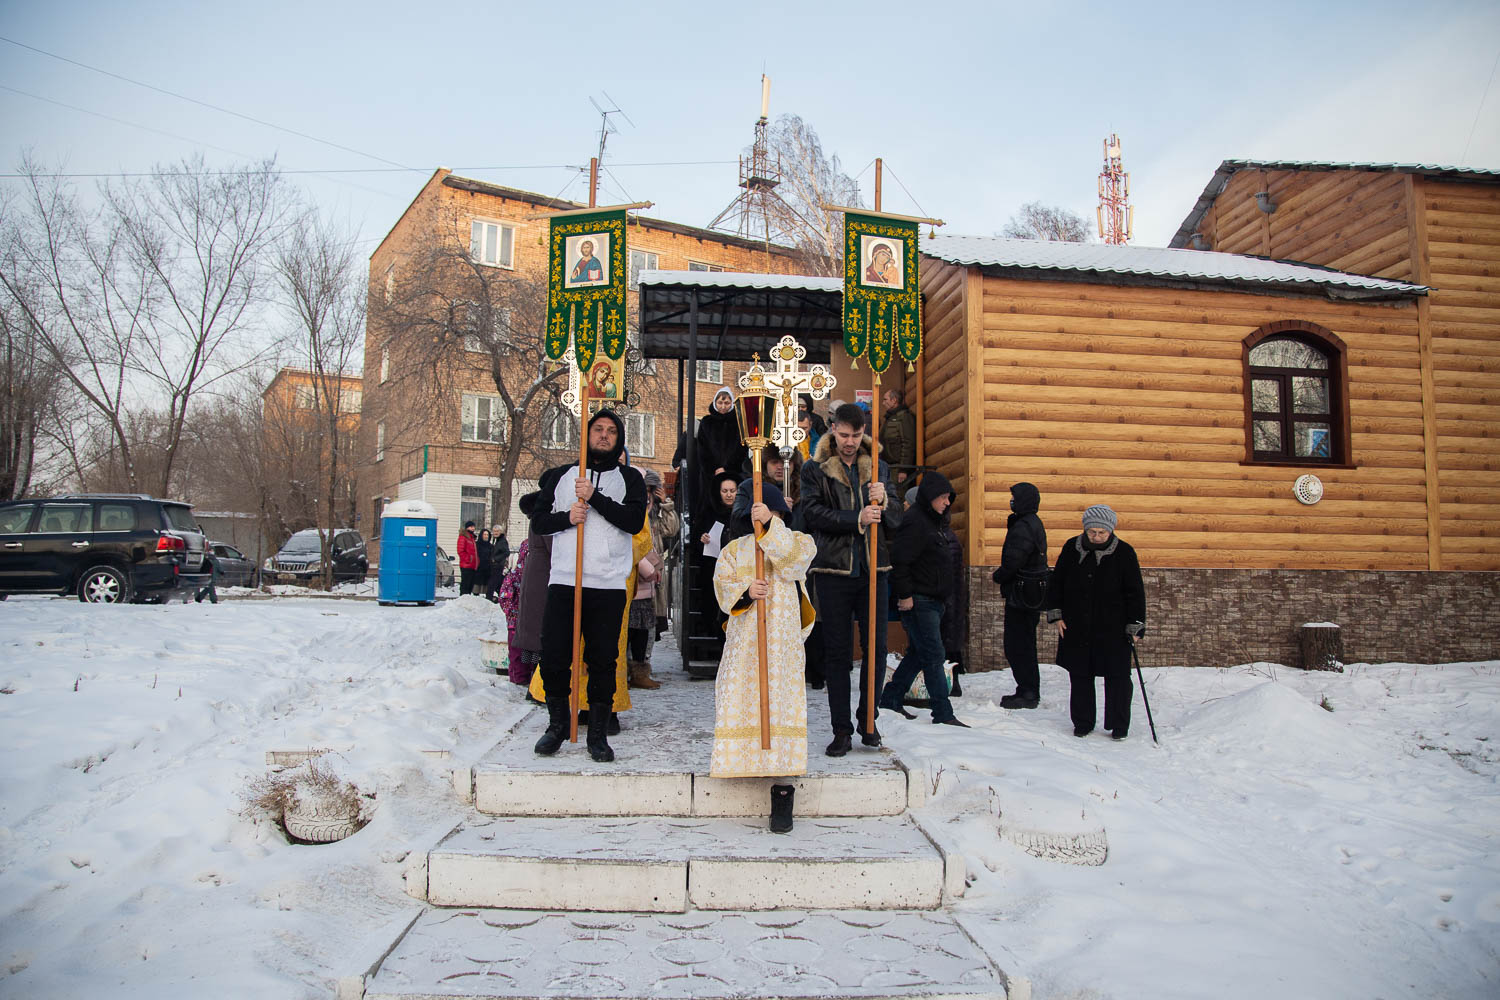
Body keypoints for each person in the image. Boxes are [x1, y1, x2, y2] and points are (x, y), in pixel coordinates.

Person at [528, 409, 646, 762]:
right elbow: (538, 522)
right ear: (587, 434)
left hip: (607, 582)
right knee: (554, 657)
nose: (605, 436)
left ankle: (597, 734)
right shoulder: (564, 477)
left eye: (611, 431)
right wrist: (567, 518)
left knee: (602, 661)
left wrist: (594, 498)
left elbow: (633, 520)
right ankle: (557, 725)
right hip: (565, 579)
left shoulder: (630, 479)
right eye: (598, 429)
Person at [710, 483, 816, 833]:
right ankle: (743, 760)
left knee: (781, 705)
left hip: (782, 646)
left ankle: (783, 786)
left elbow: (791, 563)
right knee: (743, 698)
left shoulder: (800, 541)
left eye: (773, 515)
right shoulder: (733, 550)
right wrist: (745, 591)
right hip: (746, 644)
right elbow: (723, 589)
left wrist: (770, 526)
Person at [801, 401, 903, 756]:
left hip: (874, 569)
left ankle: (869, 722)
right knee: (838, 653)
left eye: (856, 435)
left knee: (875, 649)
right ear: (832, 429)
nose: (849, 441)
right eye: (844, 434)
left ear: (864, 433)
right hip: (833, 569)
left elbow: (897, 520)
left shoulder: (879, 467)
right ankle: (841, 729)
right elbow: (812, 513)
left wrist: (885, 502)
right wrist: (855, 518)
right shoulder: (814, 469)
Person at [1045, 504, 1146, 740]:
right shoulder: (1072, 548)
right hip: (1077, 625)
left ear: (1110, 531)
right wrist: (1056, 614)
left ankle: (1118, 725)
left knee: (1118, 676)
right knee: (1080, 674)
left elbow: (1135, 592)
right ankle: (1083, 722)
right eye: (1092, 532)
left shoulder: (1125, 552)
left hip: (1113, 627)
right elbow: (1057, 582)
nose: (1097, 537)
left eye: (1102, 533)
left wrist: (1135, 626)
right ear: (1085, 530)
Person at [880, 471, 966, 727]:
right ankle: (942, 712)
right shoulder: (916, 522)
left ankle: (891, 697)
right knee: (933, 654)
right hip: (919, 600)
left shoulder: (934, 521)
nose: (947, 502)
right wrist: (905, 595)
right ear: (929, 497)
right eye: (942, 497)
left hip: (933, 600)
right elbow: (901, 560)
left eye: (948, 498)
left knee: (919, 653)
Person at [992, 482, 1049, 709]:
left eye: (1015, 497)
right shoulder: (1028, 523)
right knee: (1023, 643)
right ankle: (1026, 688)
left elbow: (1014, 560)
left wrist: (999, 576)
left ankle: (1028, 691)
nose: (1012, 501)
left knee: (1018, 644)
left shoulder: (1025, 526)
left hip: (1023, 595)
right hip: (1028, 594)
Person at [643, 468, 679, 640]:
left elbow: (671, 529)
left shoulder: (656, 514)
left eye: (651, 491)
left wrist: (665, 503)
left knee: (651, 625)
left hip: (654, 574)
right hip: (637, 574)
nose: (647, 496)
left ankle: (644, 661)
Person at [879, 387, 917, 486]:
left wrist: (903, 469)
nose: (883, 403)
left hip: (898, 469)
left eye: (885, 399)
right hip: (889, 467)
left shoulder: (904, 417)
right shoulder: (890, 418)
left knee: (898, 496)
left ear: (894, 400)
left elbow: (908, 444)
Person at [456, 521, 478, 595]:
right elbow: (460, 551)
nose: (473, 528)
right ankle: (463, 599)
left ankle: (467, 599)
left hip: (472, 565)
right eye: (471, 527)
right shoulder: (463, 537)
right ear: (467, 528)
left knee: (470, 585)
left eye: (473, 527)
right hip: (466, 565)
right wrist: (468, 559)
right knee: (465, 584)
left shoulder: (472, 538)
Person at [476, 528, 494, 599]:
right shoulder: (477, 545)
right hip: (478, 568)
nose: (486, 536)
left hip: (487, 568)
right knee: (476, 586)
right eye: (484, 534)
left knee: (486, 586)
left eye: (487, 535)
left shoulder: (491, 546)